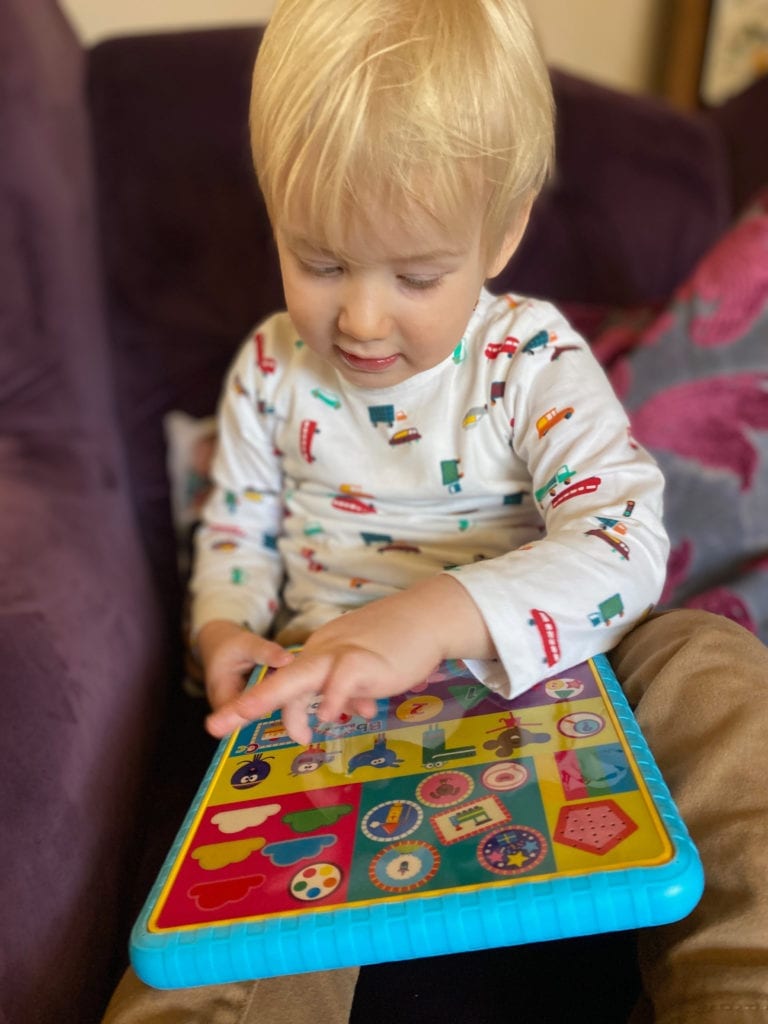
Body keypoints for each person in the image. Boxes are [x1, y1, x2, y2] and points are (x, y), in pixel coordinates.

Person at [103, 1, 768, 1021]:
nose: (362, 319)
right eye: (320, 261)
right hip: (335, 705)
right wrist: (224, 628)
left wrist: (424, 622)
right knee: (233, 905)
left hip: (562, 678)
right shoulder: (271, 371)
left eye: (417, 275)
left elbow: (623, 539)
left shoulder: (529, 357)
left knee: (710, 665)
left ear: (499, 234)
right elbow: (237, 537)